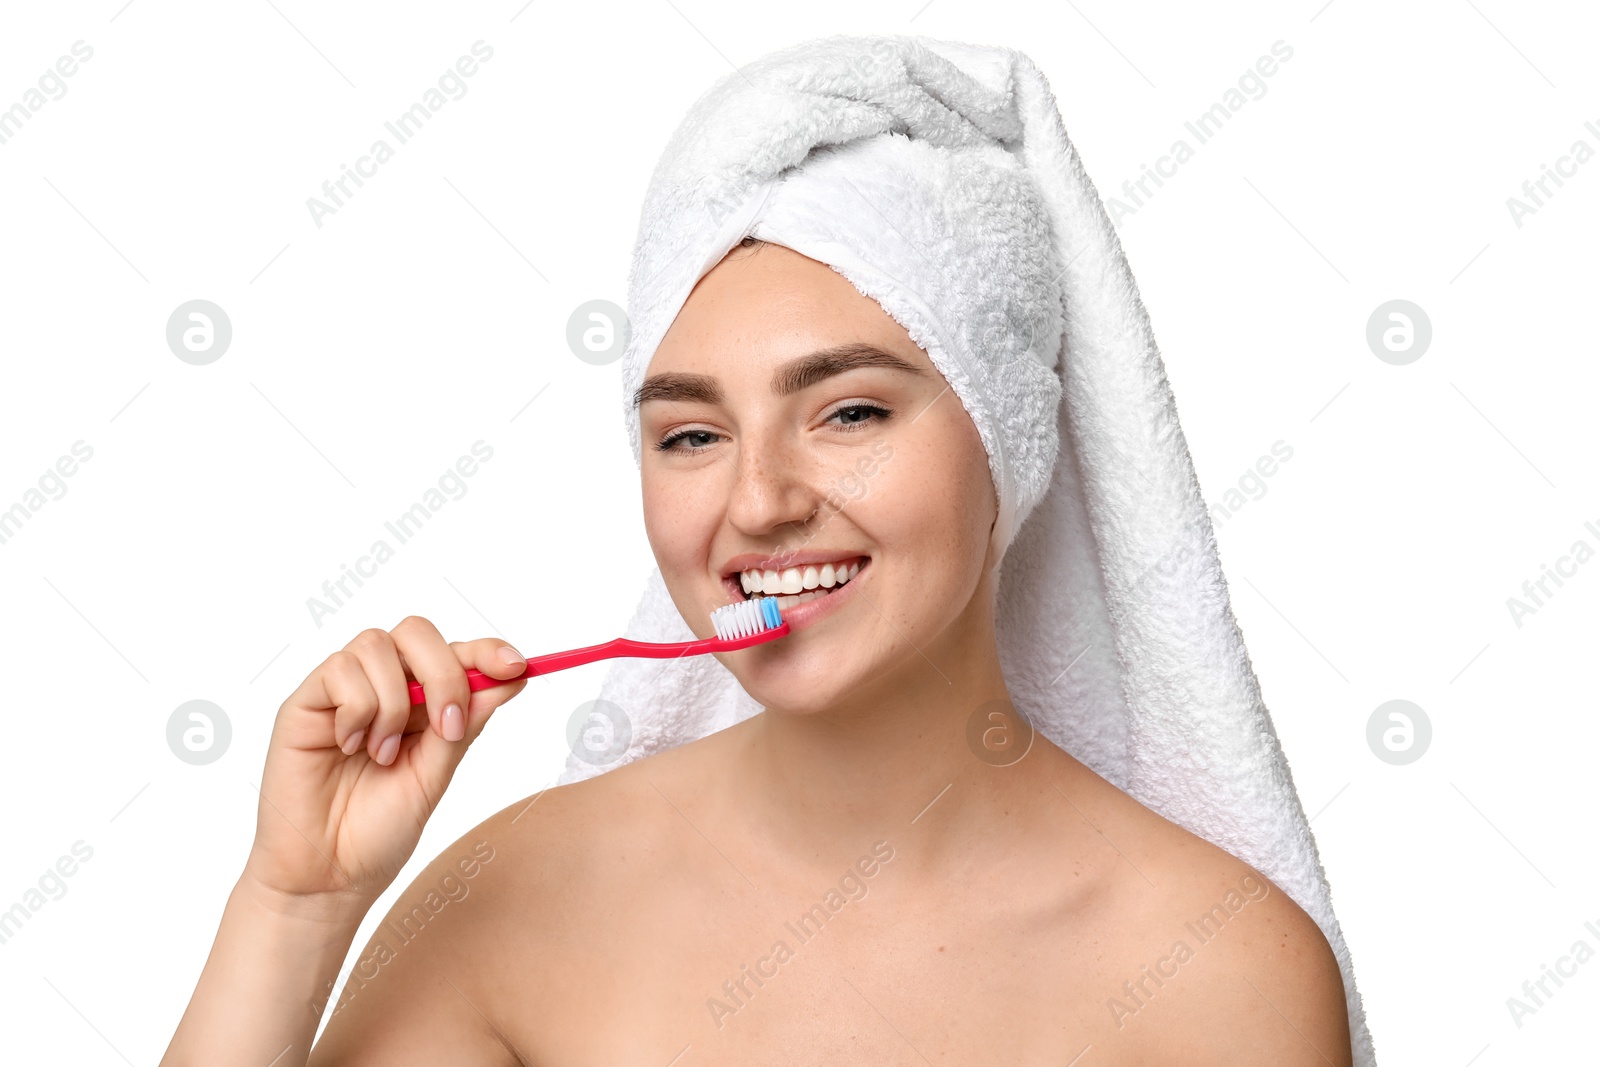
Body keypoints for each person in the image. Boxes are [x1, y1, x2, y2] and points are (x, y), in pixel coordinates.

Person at [161, 234, 1354, 1065]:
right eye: (690, 433)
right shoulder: (514, 897)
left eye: (850, 412)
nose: (760, 500)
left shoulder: (1217, 966)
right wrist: (297, 903)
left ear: (1010, 433)